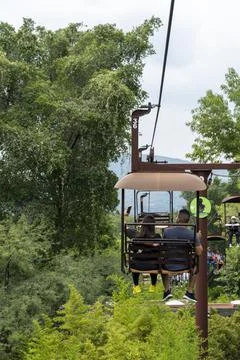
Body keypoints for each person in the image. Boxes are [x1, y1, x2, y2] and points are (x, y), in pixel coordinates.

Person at [161, 208, 203, 302]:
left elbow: (162, 247)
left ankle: (167, 290)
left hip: (167, 265)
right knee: (196, 263)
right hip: (185, 265)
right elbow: (199, 252)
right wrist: (197, 238)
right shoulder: (192, 234)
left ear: (178, 218)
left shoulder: (167, 232)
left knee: (161, 261)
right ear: (187, 221)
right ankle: (189, 291)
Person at [132, 214, 161, 295]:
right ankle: (153, 285)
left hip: (137, 266)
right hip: (153, 266)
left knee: (135, 259)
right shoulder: (157, 237)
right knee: (154, 259)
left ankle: (136, 285)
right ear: (153, 226)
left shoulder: (137, 238)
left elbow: (134, 252)